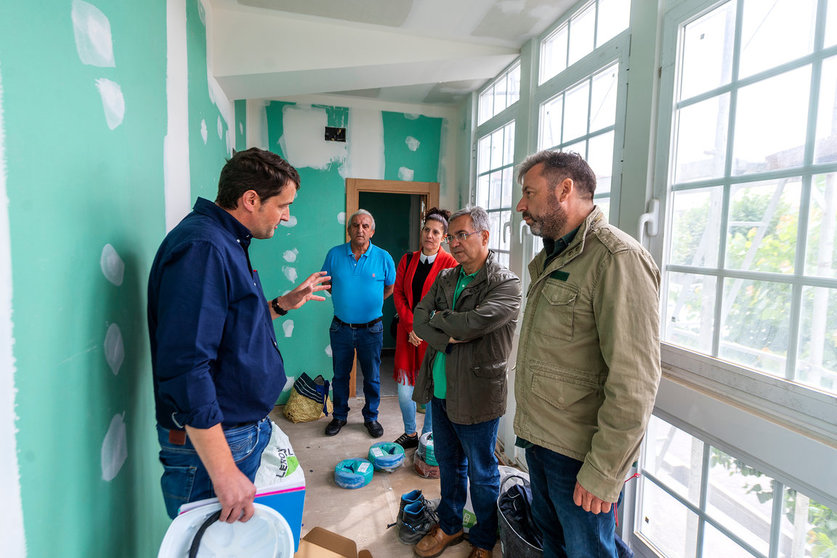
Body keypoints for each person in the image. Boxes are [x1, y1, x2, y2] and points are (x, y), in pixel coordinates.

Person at [148, 148, 330, 523]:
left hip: (235, 433)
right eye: (283, 205)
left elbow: (229, 327)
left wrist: (280, 304)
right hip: (215, 446)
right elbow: (186, 368)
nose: (287, 216)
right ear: (250, 200)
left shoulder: (226, 241)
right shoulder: (204, 248)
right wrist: (223, 470)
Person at [513, 150, 661, 557]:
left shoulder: (617, 259)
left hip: (581, 456)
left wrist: (604, 471)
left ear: (565, 190)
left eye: (529, 192)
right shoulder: (554, 257)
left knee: (589, 551)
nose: (521, 205)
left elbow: (635, 382)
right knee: (555, 544)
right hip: (542, 441)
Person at [412, 206, 522, 558]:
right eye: (451, 236)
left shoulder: (505, 284)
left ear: (484, 237)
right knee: (449, 464)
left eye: (462, 235)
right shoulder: (447, 277)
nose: (454, 243)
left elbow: (473, 325)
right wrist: (447, 333)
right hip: (441, 390)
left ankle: (485, 538)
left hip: (477, 395)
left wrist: (441, 319)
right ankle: (450, 525)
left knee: (483, 471)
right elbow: (418, 319)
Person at [321, 209, 396, 438]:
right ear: (349, 230)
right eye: (355, 225)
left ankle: (371, 418)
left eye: (365, 226)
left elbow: (390, 287)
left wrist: (371, 304)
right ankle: (340, 416)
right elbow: (327, 283)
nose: (360, 229)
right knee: (340, 375)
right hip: (341, 327)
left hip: (372, 329)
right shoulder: (334, 254)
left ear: (372, 231)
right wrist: (346, 301)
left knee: (372, 376)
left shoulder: (383, 257)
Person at [391, 207, 458, 450]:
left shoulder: (450, 264)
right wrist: (411, 327)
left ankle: (428, 436)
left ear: (444, 237)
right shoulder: (407, 259)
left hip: (432, 337)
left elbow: (448, 303)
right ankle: (410, 433)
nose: (430, 235)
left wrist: (423, 328)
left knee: (431, 388)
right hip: (407, 336)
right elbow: (398, 294)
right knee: (404, 391)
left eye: (436, 232)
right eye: (427, 230)